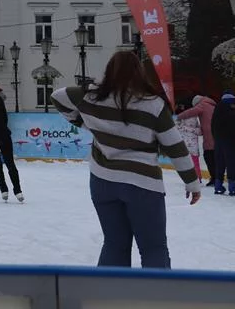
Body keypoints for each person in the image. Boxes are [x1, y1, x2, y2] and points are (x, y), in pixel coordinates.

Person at [51, 52, 201, 269]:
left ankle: (108, 299)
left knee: (114, 244)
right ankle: (157, 299)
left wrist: (85, 122)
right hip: (142, 186)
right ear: (139, 74)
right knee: (154, 248)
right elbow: (175, 146)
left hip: (103, 182)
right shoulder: (153, 105)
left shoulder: (91, 97)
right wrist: (192, 182)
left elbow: (58, 96)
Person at [177, 95, 216, 187]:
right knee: (210, 157)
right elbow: (199, 131)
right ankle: (212, 178)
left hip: (204, 138)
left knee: (208, 157)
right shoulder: (212, 105)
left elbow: (191, 112)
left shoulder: (202, 105)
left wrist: (179, 116)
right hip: (211, 135)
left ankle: (213, 178)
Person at [210, 93, 235, 195]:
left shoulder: (217, 111)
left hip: (218, 140)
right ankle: (232, 187)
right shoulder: (233, 113)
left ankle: (218, 186)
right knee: (231, 162)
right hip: (230, 140)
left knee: (220, 162)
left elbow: (212, 127)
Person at [174, 103, 202, 180]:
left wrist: (188, 129)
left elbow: (200, 131)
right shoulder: (180, 118)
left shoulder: (193, 118)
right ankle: (194, 178)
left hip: (191, 145)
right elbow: (177, 129)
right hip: (186, 145)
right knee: (190, 163)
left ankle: (196, 177)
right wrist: (191, 129)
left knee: (192, 163)